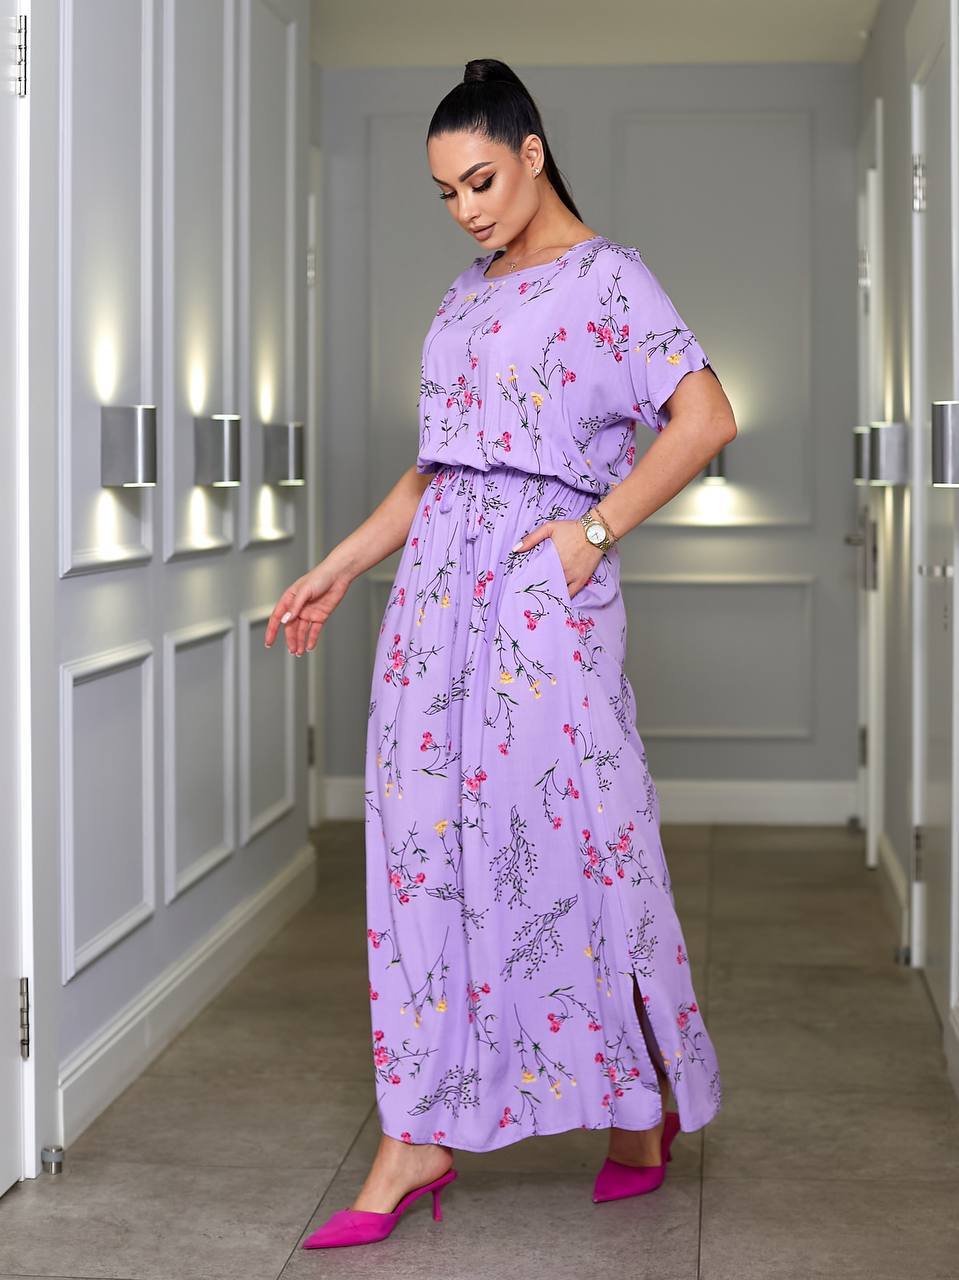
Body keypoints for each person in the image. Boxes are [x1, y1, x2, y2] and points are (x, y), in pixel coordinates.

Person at [265, 57, 736, 1250]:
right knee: (424, 850)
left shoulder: (611, 278)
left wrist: (592, 533)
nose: (465, 208)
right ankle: (416, 1131)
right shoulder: (463, 295)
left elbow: (704, 417)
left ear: (531, 153)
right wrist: (340, 563)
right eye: (445, 192)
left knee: (578, 840)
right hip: (432, 603)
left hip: (540, 596)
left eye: (480, 179)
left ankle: (636, 1099)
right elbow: (435, 468)